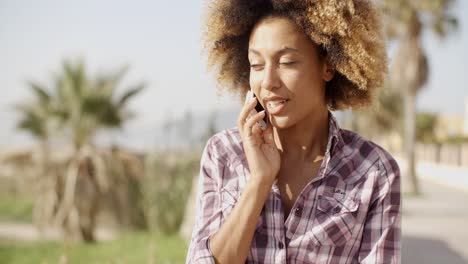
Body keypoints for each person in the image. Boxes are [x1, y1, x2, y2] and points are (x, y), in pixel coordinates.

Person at [186, 1, 401, 263]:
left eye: (287, 62)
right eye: (256, 65)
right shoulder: (223, 154)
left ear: (329, 66)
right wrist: (259, 182)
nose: (267, 82)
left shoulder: (373, 171)